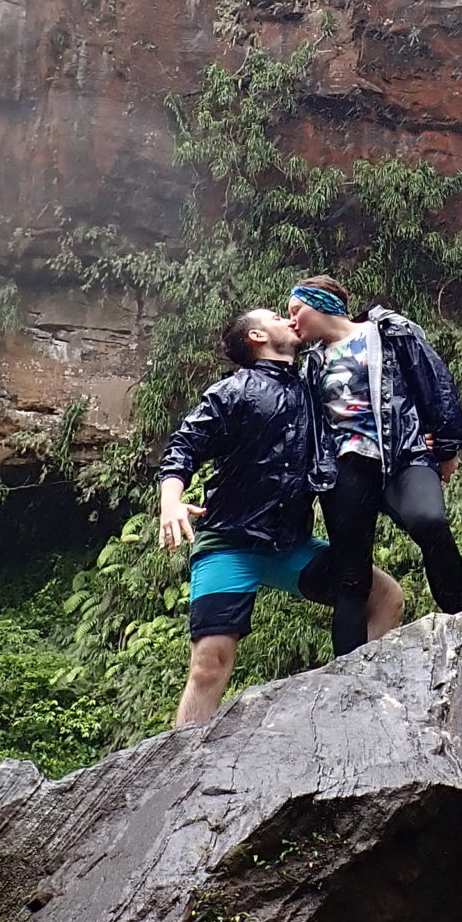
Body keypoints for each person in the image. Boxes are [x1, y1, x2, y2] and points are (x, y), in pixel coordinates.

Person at [158, 306, 403, 728]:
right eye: (276, 315)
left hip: (291, 545)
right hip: (229, 543)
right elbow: (184, 446)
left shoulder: (316, 386)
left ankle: (354, 701)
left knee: (385, 596)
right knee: (209, 662)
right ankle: (182, 763)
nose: (288, 319)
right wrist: (171, 501)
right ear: (257, 336)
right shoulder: (232, 391)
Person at [286, 276, 462, 655]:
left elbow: (433, 381)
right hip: (344, 469)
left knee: (429, 521)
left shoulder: (389, 331)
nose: (291, 322)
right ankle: (347, 677)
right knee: (350, 577)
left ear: (321, 303)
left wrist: (447, 447)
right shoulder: (309, 366)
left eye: (295, 311)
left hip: (405, 452)